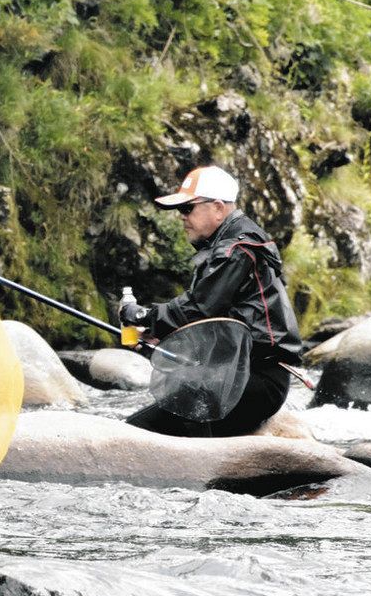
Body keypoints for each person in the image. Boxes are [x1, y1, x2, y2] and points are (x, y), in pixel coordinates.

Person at [119, 165, 304, 437]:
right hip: (234, 374)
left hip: (256, 380)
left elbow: (199, 308)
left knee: (139, 431)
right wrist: (161, 337)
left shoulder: (237, 249)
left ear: (218, 208)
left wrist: (144, 317)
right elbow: (213, 323)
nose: (182, 217)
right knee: (145, 427)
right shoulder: (227, 246)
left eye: (187, 208)